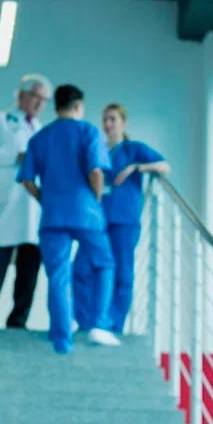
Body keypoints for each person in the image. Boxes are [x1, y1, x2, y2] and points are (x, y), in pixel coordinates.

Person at [17, 84, 122, 353]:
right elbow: (96, 172)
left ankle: (63, 339)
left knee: (58, 274)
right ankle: (99, 325)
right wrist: (96, 198)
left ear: (56, 107)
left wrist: (44, 198)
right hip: (86, 212)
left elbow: (27, 180)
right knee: (104, 264)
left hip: (53, 215)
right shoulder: (89, 132)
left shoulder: (40, 138)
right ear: (78, 106)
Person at [71, 103, 170, 334]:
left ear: (123, 122)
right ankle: (87, 322)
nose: (108, 124)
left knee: (122, 272)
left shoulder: (133, 149)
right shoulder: (97, 148)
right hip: (97, 219)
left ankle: (113, 325)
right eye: (105, 119)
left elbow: (165, 166)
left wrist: (136, 167)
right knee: (81, 268)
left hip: (125, 220)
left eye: (113, 119)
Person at [0, 74, 51, 329]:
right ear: (22, 95)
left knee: (29, 265)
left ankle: (18, 320)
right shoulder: (0, 120)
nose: (39, 104)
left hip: (34, 204)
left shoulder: (41, 129)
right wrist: (16, 156)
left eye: (44, 100)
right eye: (36, 96)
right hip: (9, 201)